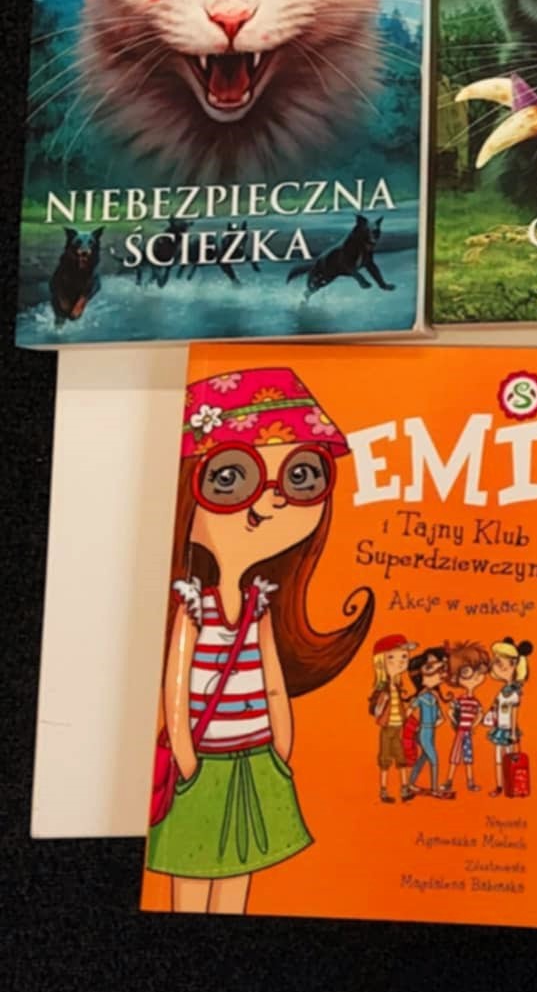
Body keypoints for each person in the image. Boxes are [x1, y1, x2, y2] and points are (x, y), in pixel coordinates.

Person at [146, 366, 372, 914]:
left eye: (301, 477)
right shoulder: (190, 606)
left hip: (258, 758)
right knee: (192, 876)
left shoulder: (259, 604)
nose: (271, 503)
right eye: (230, 478)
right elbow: (176, 692)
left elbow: (272, 682)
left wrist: (282, 746)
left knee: (241, 875)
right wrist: (188, 759)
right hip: (203, 762)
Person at [369, 633, 416, 803]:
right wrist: (381, 703)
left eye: (404, 656)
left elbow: (400, 708)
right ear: (381, 662)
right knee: (385, 759)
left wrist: (409, 711)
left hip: (399, 728)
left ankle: (404, 789)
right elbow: (374, 710)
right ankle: (383, 790)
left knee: (401, 757)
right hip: (387, 728)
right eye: (392, 657)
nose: (400, 661)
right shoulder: (382, 688)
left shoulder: (398, 686)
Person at [402, 646, 452, 801]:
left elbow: (441, 718)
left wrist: (434, 724)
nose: (439, 674)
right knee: (434, 759)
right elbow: (409, 711)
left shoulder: (433, 698)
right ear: (420, 677)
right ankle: (435, 789)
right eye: (431, 669)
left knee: (424, 757)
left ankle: (410, 783)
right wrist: (407, 725)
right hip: (423, 732)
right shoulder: (421, 698)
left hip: (430, 731)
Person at [486, 637, 533, 795]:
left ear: (513, 666)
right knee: (499, 759)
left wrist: (513, 732)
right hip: (499, 728)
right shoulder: (503, 691)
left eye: (500, 664)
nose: (496, 667)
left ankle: (512, 786)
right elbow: (498, 707)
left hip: (508, 730)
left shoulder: (514, 692)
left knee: (511, 758)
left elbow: (514, 713)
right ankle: (500, 786)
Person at [447, 643, 489, 794]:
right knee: (455, 756)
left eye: (480, 669)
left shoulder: (475, 702)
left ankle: (470, 782)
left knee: (468, 757)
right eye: (467, 671)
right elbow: (451, 712)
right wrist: (455, 721)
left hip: (467, 732)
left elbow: (480, 714)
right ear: (456, 678)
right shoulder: (460, 700)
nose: (476, 675)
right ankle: (449, 781)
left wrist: (473, 725)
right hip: (460, 732)